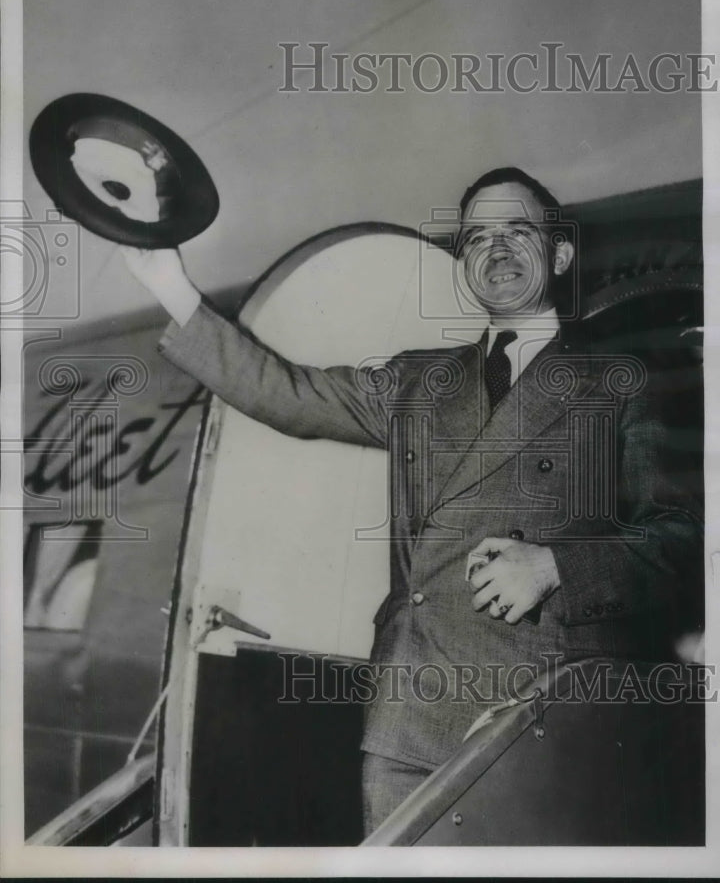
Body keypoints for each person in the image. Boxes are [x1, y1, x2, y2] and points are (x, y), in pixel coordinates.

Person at [122, 166, 703, 837]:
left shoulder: (622, 384)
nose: (498, 249)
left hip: (540, 717)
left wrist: (558, 568)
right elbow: (288, 392)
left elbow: (684, 537)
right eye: (477, 237)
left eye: (519, 230)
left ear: (561, 253)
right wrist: (171, 286)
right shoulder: (420, 381)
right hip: (412, 714)